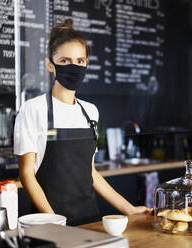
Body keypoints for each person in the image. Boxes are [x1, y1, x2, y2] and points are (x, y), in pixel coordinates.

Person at [14, 19, 151, 226]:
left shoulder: (90, 111)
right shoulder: (33, 109)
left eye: (80, 61)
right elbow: (26, 175)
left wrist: (129, 209)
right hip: (50, 224)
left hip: (90, 222)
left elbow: (91, 172)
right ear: (50, 64)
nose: (74, 67)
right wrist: (54, 222)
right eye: (65, 61)